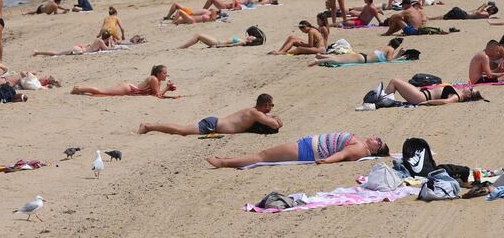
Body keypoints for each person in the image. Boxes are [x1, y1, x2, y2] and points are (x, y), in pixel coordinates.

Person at [206, 132, 389, 168]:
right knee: (263, 155)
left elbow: (342, 154)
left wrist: (326, 161)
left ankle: (223, 163)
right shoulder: (361, 146)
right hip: (307, 147)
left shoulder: (360, 149)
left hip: (306, 151)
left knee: (262, 156)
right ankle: (227, 159)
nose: (376, 138)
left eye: (378, 141)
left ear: (375, 150)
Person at [139, 94, 281, 136]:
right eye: (271, 106)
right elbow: (275, 124)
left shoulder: (253, 111)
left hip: (214, 124)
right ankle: (148, 126)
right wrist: (274, 118)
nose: (271, 109)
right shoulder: (255, 113)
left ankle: (149, 126)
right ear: (266, 104)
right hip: (212, 126)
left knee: (181, 130)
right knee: (181, 130)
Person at [70, 64, 179, 98]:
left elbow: (157, 94)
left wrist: (169, 93)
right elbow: (157, 96)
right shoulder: (154, 79)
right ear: (159, 74)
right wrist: (167, 89)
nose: (166, 75)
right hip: (128, 89)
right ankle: (78, 89)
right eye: (164, 73)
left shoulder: (156, 80)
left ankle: (80, 89)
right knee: (102, 91)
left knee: (103, 93)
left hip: (130, 89)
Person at [377, 78, 487, 107]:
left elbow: (446, 102)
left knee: (394, 81)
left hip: (421, 97)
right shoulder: (458, 93)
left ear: (469, 95)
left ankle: (383, 100)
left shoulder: (457, 96)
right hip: (421, 93)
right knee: (396, 82)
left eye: (471, 90)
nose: (470, 87)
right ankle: (384, 99)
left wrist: (428, 102)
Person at [308, 38, 406, 66]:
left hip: (362, 55)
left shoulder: (385, 47)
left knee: (341, 58)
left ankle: (321, 57)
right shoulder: (391, 50)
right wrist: (398, 55)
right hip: (363, 59)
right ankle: (318, 61)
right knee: (340, 61)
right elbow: (389, 60)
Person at [32, 31, 117, 56]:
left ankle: (38, 52)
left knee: (57, 53)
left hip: (80, 48)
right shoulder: (100, 41)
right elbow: (108, 49)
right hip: (79, 50)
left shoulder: (98, 39)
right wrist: (111, 42)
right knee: (57, 53)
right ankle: (38, 52)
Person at [179, 26, 265, 48]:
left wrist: (218, 46)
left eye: (252, 37)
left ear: (250, 42)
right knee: (199, 35)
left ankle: (182, 47)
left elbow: (231, 45)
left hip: (217, 43)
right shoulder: (243, 41)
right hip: (217, 41)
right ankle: (182, 47)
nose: (251, 36)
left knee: (198, 35)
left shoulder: (242, 42)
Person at [429, 2, 498, 21]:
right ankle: (431, 18)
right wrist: (483, 5)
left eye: (491, 8)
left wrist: (484, 6)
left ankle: (431, 18)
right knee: (445, 16)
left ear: (492, 11)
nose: (489, 7)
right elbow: (477, 10)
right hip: (464, 14)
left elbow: (477, 13)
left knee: (454, 10)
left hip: (465, 16)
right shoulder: (485, 12)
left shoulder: (487, 15)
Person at [202, 0, 279, 11]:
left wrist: (233, 1)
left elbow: (233, 8)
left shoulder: (244, 5)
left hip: (226, 7)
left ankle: (203, 10)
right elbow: (259, 1)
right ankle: (203, 10)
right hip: (226, 5)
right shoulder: (255, 3)